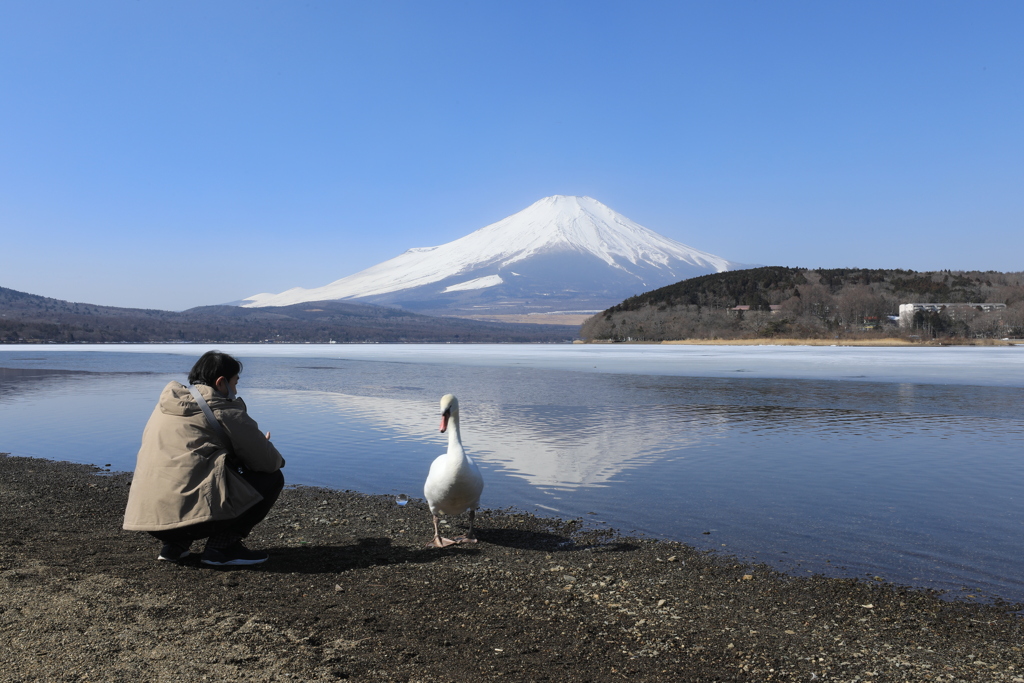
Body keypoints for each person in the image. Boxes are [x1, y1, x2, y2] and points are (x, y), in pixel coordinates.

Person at [123, 350, 285, 566]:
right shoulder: (223, 409)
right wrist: (260, 446)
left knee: (193, 472)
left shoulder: (166, 406)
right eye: (235, 382)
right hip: (187, 519)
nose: (236, 390)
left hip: (148, 518)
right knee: (272, 479)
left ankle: (174, 547)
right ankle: (222, 549)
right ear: (221, 383)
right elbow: (270, 462)